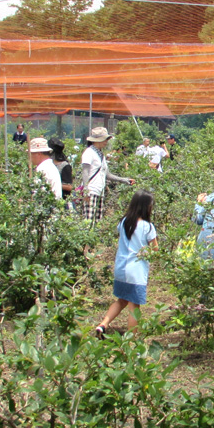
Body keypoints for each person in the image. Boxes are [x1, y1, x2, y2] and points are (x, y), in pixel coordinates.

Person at [96, 191, 158, 335]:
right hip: (135, 271)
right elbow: (155, 249)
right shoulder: (147, 227)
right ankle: (131, 340)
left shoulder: (123, 222)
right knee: (134, 307)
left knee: (122, 300)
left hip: (120, 268)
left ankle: (103, 325)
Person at [80, 127, 134, 224]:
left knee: (97, 222)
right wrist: (86, 190)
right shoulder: (89, 152)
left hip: (100, 191)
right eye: (105, 139)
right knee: (88, 222)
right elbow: (85, 171)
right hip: (91, 191)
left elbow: (107, 174)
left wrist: (124, 180)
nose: (106, 142)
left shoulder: (101, 154)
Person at [48, 138, 75, 203]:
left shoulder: (65, 166)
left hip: (63, 201)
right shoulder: (48, 165)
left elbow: (69, 187)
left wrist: (53, 184)